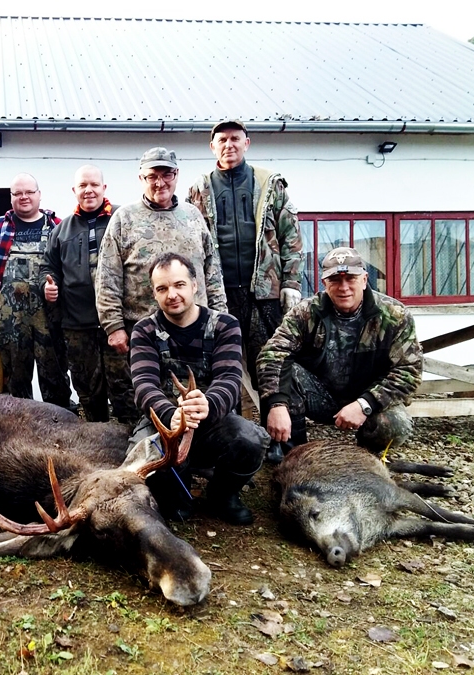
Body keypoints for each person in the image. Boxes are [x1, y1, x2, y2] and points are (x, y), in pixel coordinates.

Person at [187, 120, 303, 463]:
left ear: (247, 143)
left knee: (274, 365)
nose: (229, 145)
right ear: (212, 147)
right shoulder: (199, 189)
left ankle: (288, 444)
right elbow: (194, 245)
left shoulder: (271, 184)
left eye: (235, 138)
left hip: (263, 294)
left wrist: (292, 284)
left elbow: (291, 239)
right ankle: (236, 447)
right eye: (221, 139)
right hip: (219, 296)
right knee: (225, 369)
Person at [130, 252, 268, 525]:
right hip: (165, 422)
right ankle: (176, 494)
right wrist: (171, 415)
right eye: (162, 288)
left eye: (179, 285)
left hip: (211, 420)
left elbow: (229, 378)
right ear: (154, 294)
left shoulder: (225, 326)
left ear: (194, 285)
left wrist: (208, 405)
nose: (172, 294)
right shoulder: (144, 330)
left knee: (251, 441)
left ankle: (223, 494)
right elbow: (143, 385)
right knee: (143, 462)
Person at [257, 247, 422, 454]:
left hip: (367, 395)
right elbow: (271, 354)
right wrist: (277, 404)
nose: (344, 287)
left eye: (350, 278)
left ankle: (365, 458)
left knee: (396, 424)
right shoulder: (306, 312)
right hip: (320, 395)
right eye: (335, 280)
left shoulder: (395, 315)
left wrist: (364, 404)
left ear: (364, 279)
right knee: (287, 375)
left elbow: (409, 372)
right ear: (324, 283)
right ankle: (293, 454)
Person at [95, 147, 227, 358]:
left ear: (176, 175)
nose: (160, 182)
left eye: (167, 174)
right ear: (141, 178)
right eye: (152, 176)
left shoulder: (193, 215)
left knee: (197, 390)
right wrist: (114, 326)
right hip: (143, 335)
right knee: (143, 390)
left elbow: (212, 271)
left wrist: (220, 318)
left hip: (197, 332)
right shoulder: (124, 218)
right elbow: (107, 278)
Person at [41, 165, 137, 423]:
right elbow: (49, 267)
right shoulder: (62, 230)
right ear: (74, 191)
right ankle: (99, 450)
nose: (88, 190)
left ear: (104, 188)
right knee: (88, 391)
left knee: (126, 390)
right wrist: (48, 286)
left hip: (119, 324)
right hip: (77, 326)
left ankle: (133, 449)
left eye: (94, 184)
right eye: (82, 185)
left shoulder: (124, 219)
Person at [0, 173, 71, 408]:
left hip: (49, 319)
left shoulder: (57, 226)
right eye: (17, 193)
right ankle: (21, 431)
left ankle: (61, 429)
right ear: (11, 197)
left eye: (29, 192)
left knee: (55, 376)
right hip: (9, 321)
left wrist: (56, 289)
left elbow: (68, 267)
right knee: (14, 383)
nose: (24, 197)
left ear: (39, 194)